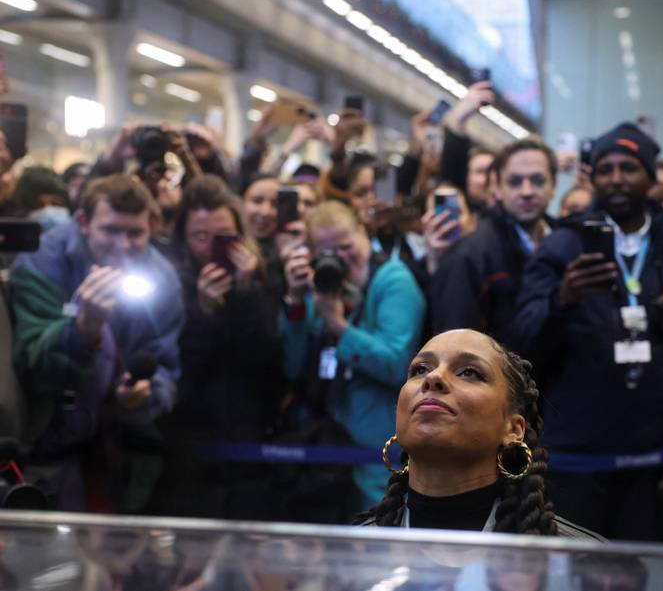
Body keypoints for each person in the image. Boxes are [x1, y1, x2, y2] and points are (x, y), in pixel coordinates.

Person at [509, 122, 663, 541]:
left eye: (629, 167)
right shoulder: (561, 248)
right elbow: (521, 346)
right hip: (575, 460)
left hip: (653, 461)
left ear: (651, 177)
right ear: (592, 177)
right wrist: (561, 302)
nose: (617, 179)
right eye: (605, 169)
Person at [8, 174, 184, 511]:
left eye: (135, 233)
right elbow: (32, 362)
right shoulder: (43, 263)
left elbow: (165, 363)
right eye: (111, 230)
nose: (123, 244)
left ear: (152, 227)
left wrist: (144, 393)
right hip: (43, 442)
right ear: (83, 222)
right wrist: (82, 331)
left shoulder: (161, 277)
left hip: (116, 446)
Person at [356, 328, 600, 539]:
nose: (433, 377)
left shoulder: (580, 562)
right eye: (420, 369)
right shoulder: (350, 554)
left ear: (513, 430)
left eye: (469, 372)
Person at [150, 175, 283, 519]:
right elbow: (177, 370)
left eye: (223, 237)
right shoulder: (167, 281)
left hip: (249, 440)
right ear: (183, 238)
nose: (211, 248)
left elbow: (270, 361)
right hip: (188, 444)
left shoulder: (263, 274)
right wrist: (204, 314)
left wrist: (246, 293)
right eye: (200, 237)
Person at [280, 200, 425, 511]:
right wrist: (293, 300)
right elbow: (291, 367)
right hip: (326, 443)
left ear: (363, 231)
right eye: (327, 252)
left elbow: (399, 364)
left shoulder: (393, 280)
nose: (340, 258)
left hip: (376, 449)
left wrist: (338, 326)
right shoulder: (320, 284)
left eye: (347, 246)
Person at [429, 138, 557, 343]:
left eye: (538, 180)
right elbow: (456, 348)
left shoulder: (567, 244)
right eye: (515, 182)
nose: (527, 191)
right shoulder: (469, 256)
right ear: (497, 188)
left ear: (554, 186)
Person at [440, 82, 497, 214]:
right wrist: (458, 121)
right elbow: (449, 181)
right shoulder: (454, 219)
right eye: (481, 172)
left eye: (493, 172)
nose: (488, 180)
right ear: (465, 177)